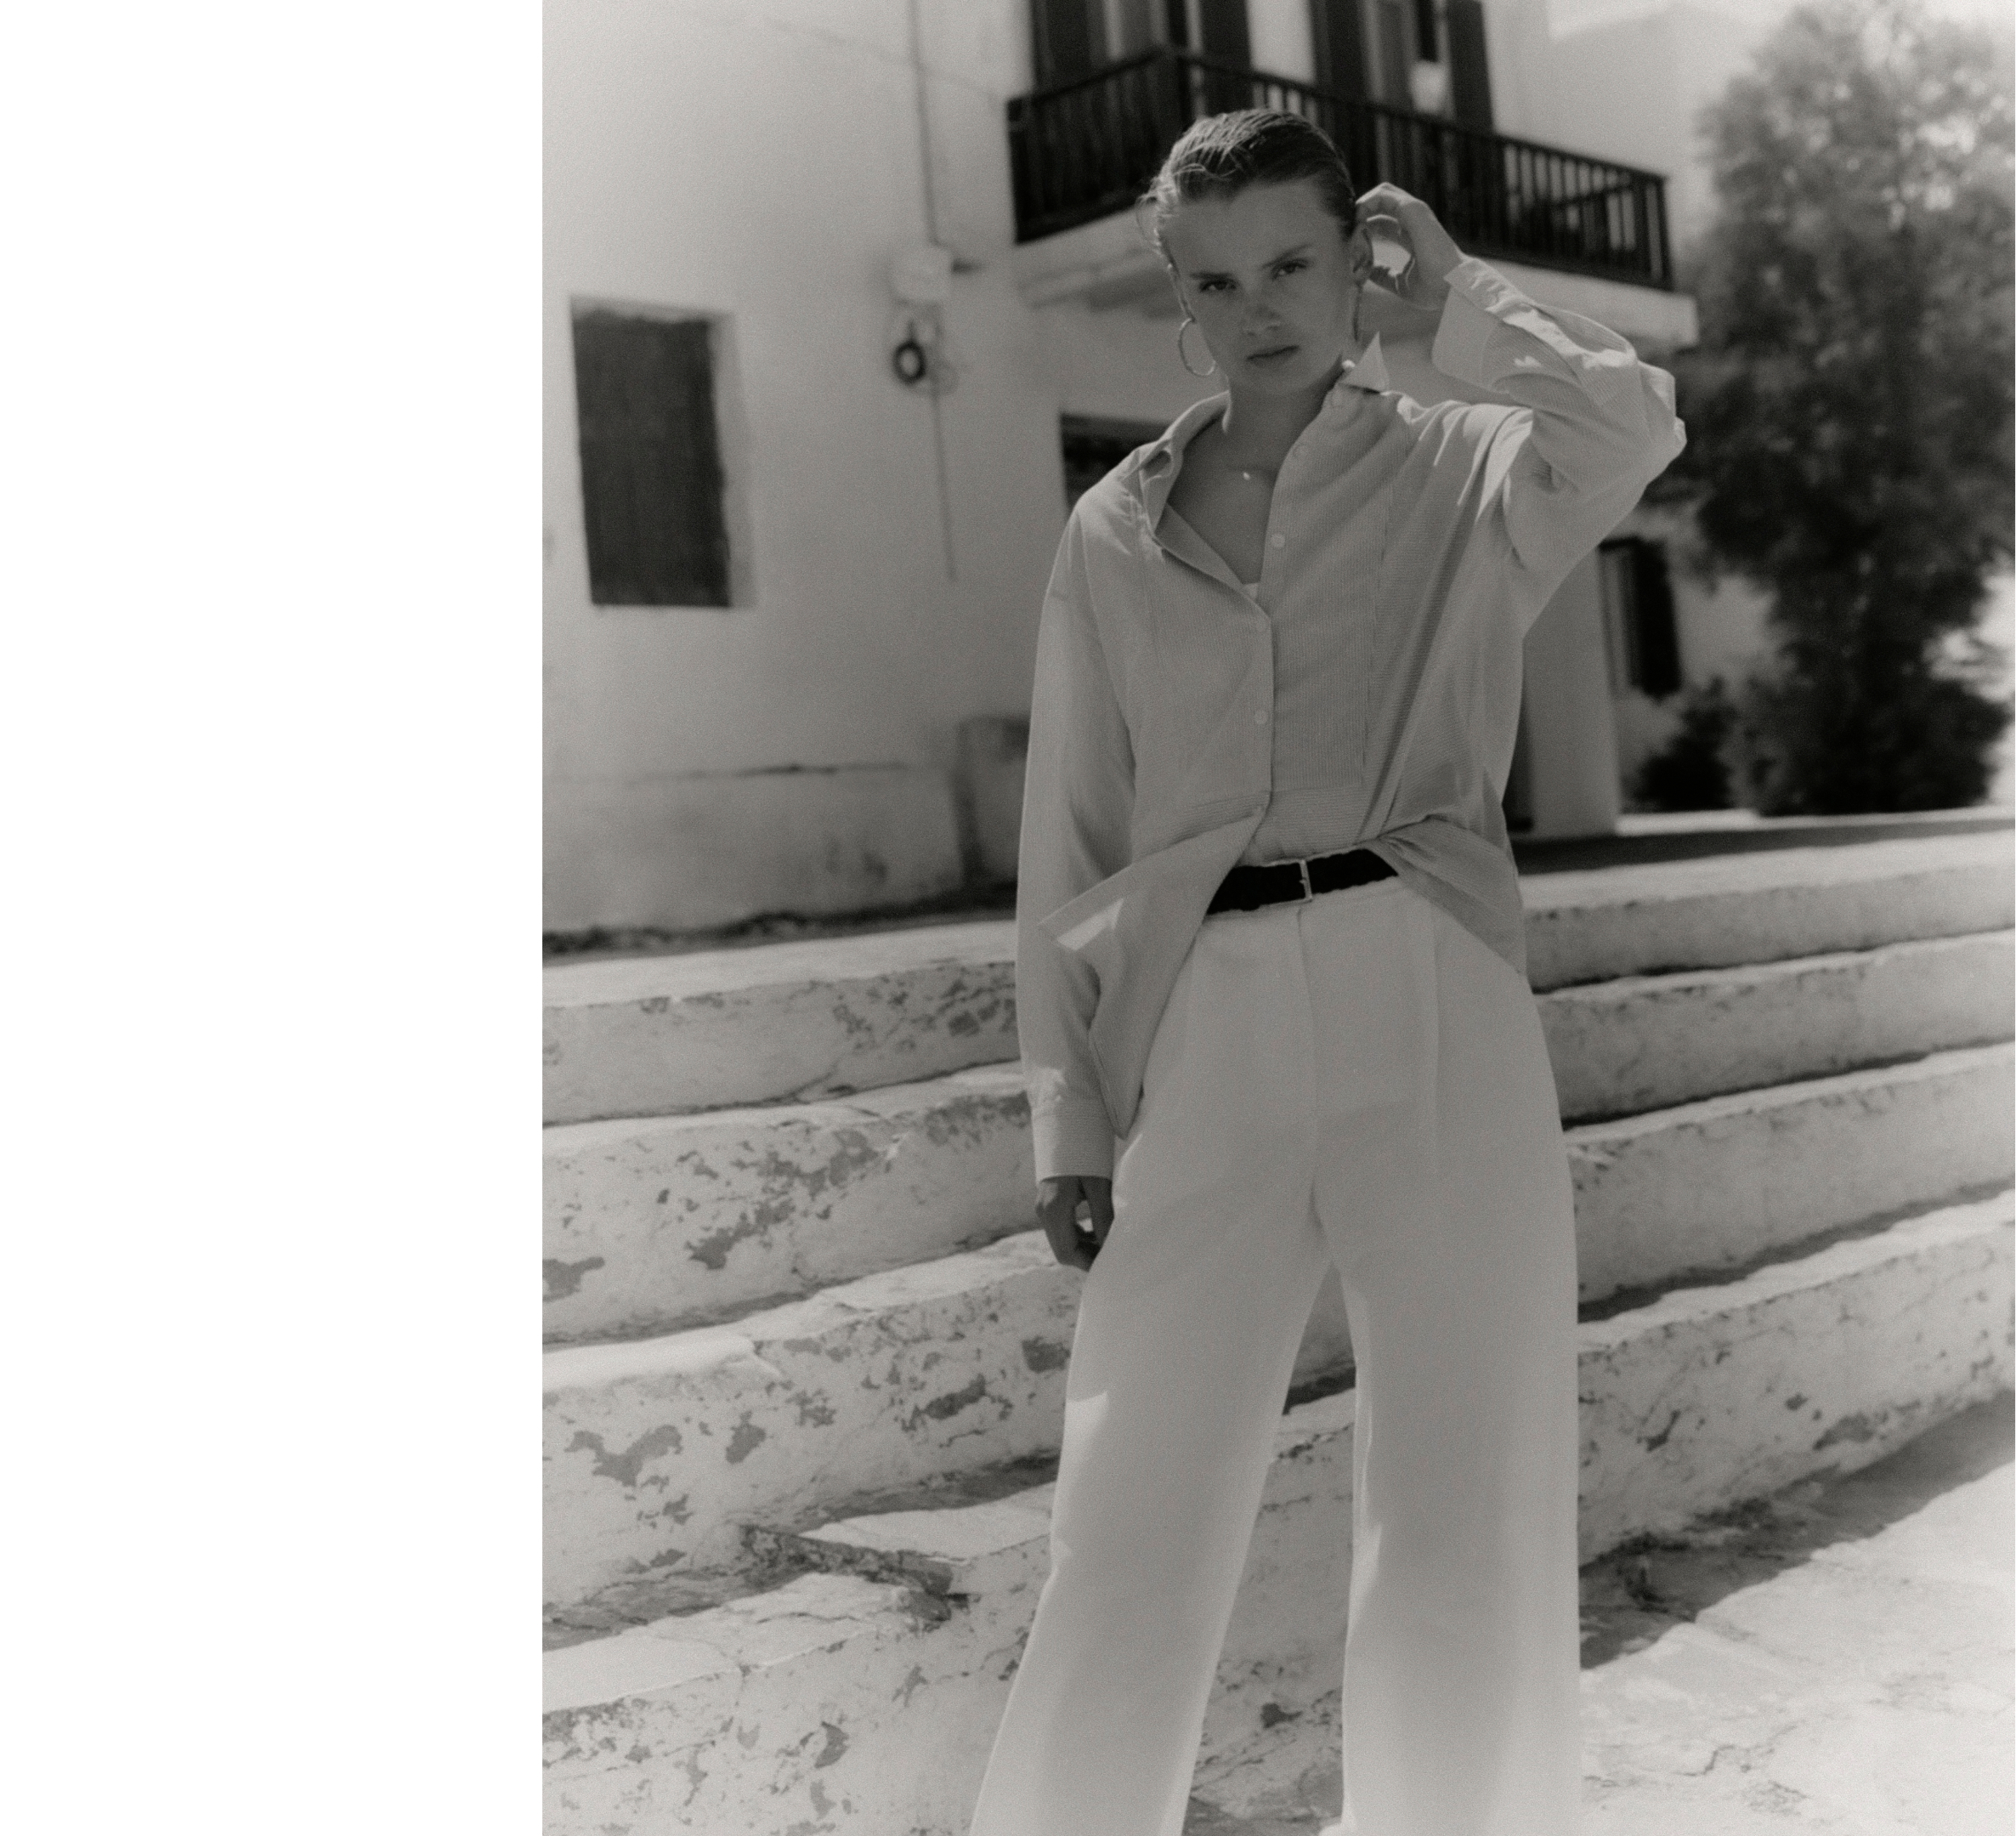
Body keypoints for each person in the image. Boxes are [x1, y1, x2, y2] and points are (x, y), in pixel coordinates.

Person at [965, 110, 1685, 1836]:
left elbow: (1632, 423)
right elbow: (1074, 835)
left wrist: (1463, 299)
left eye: (1292, 263)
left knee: (1463, 1507)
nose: (1259, 308)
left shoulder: (1465, 471)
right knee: (1125, 1515)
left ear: (1354, 261)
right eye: (1215, 283)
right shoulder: (1116, 530)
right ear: (1179, 301)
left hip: (1425, 983)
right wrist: (1070, 1112)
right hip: (1202, 1020)